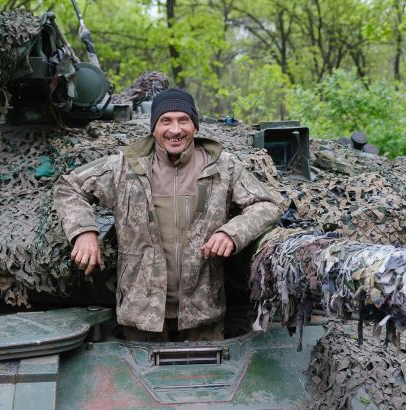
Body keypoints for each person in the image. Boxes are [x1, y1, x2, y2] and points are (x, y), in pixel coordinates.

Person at [54, 88, 282, 341]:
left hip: (203, 312)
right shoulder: (124, 167)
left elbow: (267, 204)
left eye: (183, 120)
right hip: (141, 314)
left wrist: (232, 233)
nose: (175, 130)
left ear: (195, 126)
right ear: (154, 127)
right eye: (166, 121)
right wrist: (84, 232)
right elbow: (69, 187)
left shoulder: (222, 166)